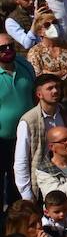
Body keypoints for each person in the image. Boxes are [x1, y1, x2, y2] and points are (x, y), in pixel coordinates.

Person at [14, 74, 67, 203]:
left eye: (57, 87)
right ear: (39, 94)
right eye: (50, 88)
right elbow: (21, 161)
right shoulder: (28, 121)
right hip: (42, 180)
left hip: (66, 174)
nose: (55, 91)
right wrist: (27, 195)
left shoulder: (64, 113)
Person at [0, 33, 36, 209]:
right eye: (2, 48)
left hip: (26, 136)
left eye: (11, 45)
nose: (8, 50)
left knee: (20, 178)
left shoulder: (24, 65)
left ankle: (17, 215)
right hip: (2, 140)